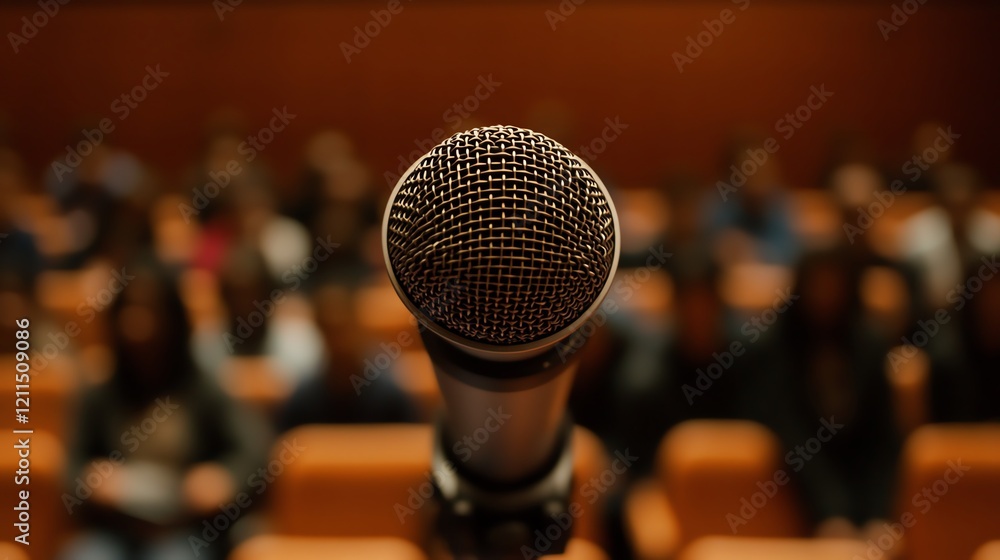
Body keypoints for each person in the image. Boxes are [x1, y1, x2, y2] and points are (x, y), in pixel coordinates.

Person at [61, 256, 270, 560]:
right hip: (113, 529)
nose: (139, 324)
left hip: (184, 530)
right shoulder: (99, 393)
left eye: (151, 311)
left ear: (173, 319)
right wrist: (88, 477)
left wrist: (225, 477)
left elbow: (255, 451)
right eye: (130, 311)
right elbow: (70, 464)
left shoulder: (202, 388)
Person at [772, 248, 901, 541]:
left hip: (866, 494)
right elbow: (790, 435)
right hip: (801, 493)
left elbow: (883, 438)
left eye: (834, 283)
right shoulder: (780, 347)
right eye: (817, 283)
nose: (826, 294)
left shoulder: (870, 343)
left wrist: (879, 514)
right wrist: (830, 511)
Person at [277, 284, 417, 431]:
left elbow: (408, 445)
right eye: (330, 330)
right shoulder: (303, 401)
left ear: (356, 324)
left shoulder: (389, 397)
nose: (339, 340)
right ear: (320, 330)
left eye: (343, 328)